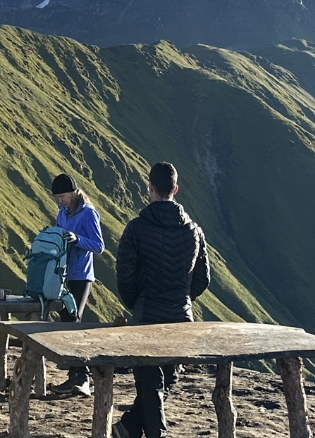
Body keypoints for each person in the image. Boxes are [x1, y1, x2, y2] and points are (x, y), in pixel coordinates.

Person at [112, 162, 211, 438]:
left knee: (151, 383)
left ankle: (135, 429)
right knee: (165, 380)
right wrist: (181, 297)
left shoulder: (136, 228)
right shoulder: (193, 231)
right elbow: (203, 279)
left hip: (147, 316)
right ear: (175, 189)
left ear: (150, 188)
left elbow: (125, 276)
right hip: (181, 316)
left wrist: (138, 304)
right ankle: (129, 428)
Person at [48, 172, 104, 397]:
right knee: (66, 323)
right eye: (58, 198)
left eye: (63, 196)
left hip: (81, 275)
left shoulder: (89, 214)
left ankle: (83, 378)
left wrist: (77, 239)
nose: (60, 201)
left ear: (73, 192)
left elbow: (99, 245)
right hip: (63, 273)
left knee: (73, 321)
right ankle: (74, 376)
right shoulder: (62, 212)